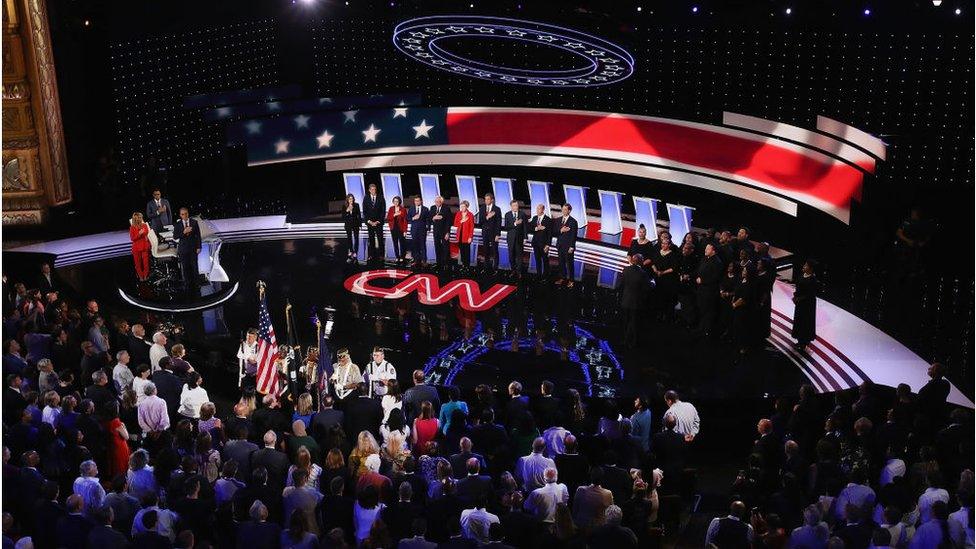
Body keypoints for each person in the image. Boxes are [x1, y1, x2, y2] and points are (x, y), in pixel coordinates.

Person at [620, 253, 651, 348]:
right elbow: (647, 287)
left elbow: (622, 284)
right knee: (634, 323)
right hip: (636, 302)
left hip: (626, 300)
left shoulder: (626, 270)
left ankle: (625, 340)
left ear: (632, 261)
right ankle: (633, 342)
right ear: (641, 262)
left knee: (626, 322)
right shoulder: (643, 273)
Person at [696, 243, 724, 337]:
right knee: (702, 309)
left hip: (710, 291)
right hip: (701, 289)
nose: (705, 250)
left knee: (709, 311)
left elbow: (716, 278)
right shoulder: (704, 259)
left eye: (708, 249)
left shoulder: (717, 262)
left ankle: (707, 330)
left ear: (713, 251)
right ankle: (701, 328)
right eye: (705, 248)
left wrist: (702, 280)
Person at [792, 259, 818, 350]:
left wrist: (799, 298)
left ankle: (804, 342)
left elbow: (810, 294)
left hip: (807, 305)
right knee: (798, 320)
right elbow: (798, 288)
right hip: (799, 303)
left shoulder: (813, 279)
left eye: (806, 265)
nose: (804, 266)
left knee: (805, 322)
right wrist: (795, 297)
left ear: (810, 269)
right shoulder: (801, 276)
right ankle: (799, 340)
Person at [173, 207, 201, 289]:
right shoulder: (177, 225)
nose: (184, 216)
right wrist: (184, 232)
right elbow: (175, 237)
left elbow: (198, 235)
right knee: (185, 267)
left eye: (186, 214)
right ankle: (188, 284)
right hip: (183, 249)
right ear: (180, 215)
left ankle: (197, 284)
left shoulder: (194, 222)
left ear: (188, 214)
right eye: (182, 214)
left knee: (194, 267)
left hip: (193, 248)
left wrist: (199, 247)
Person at [102, 402, 131, 478]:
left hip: (112, 445)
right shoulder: (116, 422)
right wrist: (123, 426)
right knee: (122, 465)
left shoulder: (106, 420)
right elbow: (126, 436)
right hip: (120, 446)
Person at [554, 204, 579, 287]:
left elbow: (573, 235)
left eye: (565, 209)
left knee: (569, 264)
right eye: (563, 209)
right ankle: (562, 278)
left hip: (568, 247)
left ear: (569, 211)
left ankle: (571, 280)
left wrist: (572, 247)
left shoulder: (573, 221)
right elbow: (555, 232)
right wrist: (561, 230)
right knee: (561, 263)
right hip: (560, 245)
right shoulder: (558, 220)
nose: (563, 211)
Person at [732, 265, 755, 355]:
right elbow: (736, 292)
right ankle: (737, 343)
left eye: (745, 271)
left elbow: (744, 298)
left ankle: (743, 346)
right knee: (737, 326)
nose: (743, 272)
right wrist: (733, 299)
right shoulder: (741, 280)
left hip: (744, 310)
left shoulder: (750, 284)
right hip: (737, 309)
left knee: (743, 328)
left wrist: (735, 304)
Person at [503, 199, 528, 275]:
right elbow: (506, 227)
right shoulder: (507, 215)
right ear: (511, 206)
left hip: (519, 239)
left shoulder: (522, 214)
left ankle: (519, 271)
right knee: (511, 255)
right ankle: (513, 270)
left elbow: (525, 227)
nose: (516, 207)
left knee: (519, 256)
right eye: (514, 205)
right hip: (510, 239)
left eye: (517, 205)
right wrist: (515, 223)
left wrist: (525, 237)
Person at [363, 183, 386, 261]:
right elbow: (365, 211)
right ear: (369, 190)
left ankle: (382, 255)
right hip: (370, 223)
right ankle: (371, 255)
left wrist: (378, 221)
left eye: (375, 189)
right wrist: (369, 221)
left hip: (378, 223)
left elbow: (383, 210)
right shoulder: (366, 198)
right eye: (372, 189)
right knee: (371, 239)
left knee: (380, 239)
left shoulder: (381, 197)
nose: (373, 191)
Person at [528, 203, 553, 277]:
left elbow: (550, 233)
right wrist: (536, 228)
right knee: (537, 260)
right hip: (535, 243)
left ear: (542, 210)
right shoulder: (535, 218)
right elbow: (530, 227)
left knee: (545, 260)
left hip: (544, 244)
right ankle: (538, 275)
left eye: (539, 209)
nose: (537, 210)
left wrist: (548, 245)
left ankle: (546, 275)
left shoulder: (548, 220)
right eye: (537, 209)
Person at [479, 193, 502, 270]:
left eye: (488, 199)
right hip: (485, 232)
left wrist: (498, 234)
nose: (486, 201)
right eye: (485, 199)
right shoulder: (482, 208)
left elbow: (499, 223)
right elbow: (480, 221)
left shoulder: (497, 209)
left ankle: (495, 268)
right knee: (486, 250)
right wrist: (487, 217)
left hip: (494, 233)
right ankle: (486, 267)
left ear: (492, 200)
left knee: (495, 250)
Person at [429, 195, 453, 267]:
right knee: (437, 246)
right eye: (436, 201)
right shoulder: (432, 208)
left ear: (441, 202)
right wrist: (433, 218)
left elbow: (449, 222)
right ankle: (438, 262)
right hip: (436, 231)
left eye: (439, 202)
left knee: (445, 247)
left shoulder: (446, 209)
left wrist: (447, 233)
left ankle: (446, 263)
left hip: (444, 231)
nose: (437, 203)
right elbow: (429, 218)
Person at [130, 212, 152, 281]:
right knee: (138, 264)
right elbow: (132, 238)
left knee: (146, 263)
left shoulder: (144, 225)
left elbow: (146, 233)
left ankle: (145, 276)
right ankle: (141, 277)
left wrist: (142, 233)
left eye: (140, 217)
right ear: (135, 219)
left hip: (144, 246)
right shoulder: (132, 227)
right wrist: (139, 234)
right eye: (138, 218)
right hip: (136, 248)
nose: (140, 219)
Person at [408, 195, 429, 266]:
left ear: (421, 201)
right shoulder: (411, 208)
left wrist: (428, 227)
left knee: (423, 245)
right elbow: (408, 218)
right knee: (415, 245)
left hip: (422, 230)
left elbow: (428, 219)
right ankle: (416, 260)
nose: (417, 202)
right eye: (415, 201)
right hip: (414, 230)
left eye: (418, 201)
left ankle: (424, 260)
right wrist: (413, 218)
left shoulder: (425, 209)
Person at [453, 200, 475, 268]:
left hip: (467, 237)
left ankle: (467, 266)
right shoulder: (458, 214)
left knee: (467, 252)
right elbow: (455, 224)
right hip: (459, 236)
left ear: (467, 207)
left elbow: (472, 227)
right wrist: (461, 221)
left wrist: (470, 237)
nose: (462, 208)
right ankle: (463, 264)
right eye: (461, 206)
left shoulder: (470, 215)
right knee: (462, 251)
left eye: (463, 206)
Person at [387, 196, 409, 262]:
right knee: (395, 243)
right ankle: (397, 256)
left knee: (402, 243)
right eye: (394, 201)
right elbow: (388, 218)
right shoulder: (391, 209)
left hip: (401, 228)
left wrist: (405, 231)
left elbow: (405, 221)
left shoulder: (403, 209)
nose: (396, 202)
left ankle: (402, 256)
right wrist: (394, 215)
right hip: (393, 228)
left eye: (397, 201)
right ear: (393, 202)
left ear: (399, 202)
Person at [343, 193, 362, 261]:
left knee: (356, 238)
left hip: (355, 224)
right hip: (348, 224)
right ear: (347, 199)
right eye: (350, 198)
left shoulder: (356, 205)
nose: (351, 200)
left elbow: (359, 215)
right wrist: (347, 211)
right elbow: (343, 217)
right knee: (349, 238)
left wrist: (360, 224)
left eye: (352, 198)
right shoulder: (344, 206)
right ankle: (351, 250)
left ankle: (355, 252)